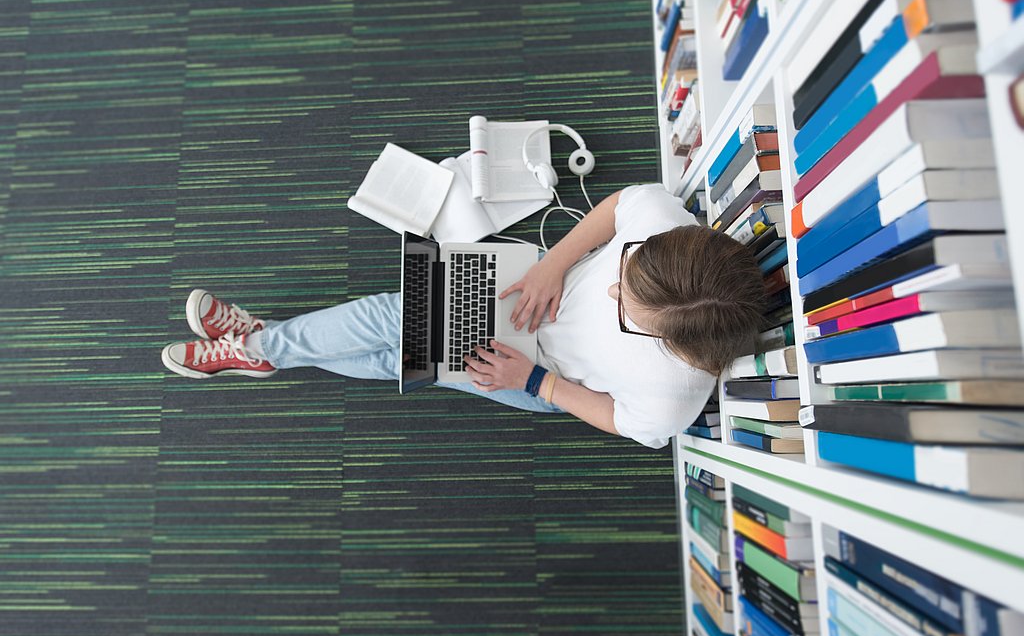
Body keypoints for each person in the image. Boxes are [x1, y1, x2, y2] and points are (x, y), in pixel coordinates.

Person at [161, 183, 766, 448]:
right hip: (527, 285)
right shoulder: (665, 226)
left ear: (671, 342)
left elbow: (618, 417)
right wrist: (555, 263)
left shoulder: (673, 395)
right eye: (624, 275)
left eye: (627, 311)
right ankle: (266, 349)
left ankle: (261, 346)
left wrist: (533, 381)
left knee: (407, 354)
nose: (611, 293)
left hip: (536, 371)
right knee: (392, 317)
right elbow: (616, 207)